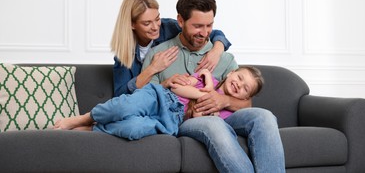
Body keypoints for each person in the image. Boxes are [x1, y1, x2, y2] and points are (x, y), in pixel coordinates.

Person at [142, 0, 285, 173]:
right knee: (214, 124)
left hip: (226, 117)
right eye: (198, 26)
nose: (204, 32)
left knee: (264, 116)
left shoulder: (223, 57)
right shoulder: (158, 55)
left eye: (209, 25)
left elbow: (246, 102)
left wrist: (223, 101)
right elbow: (146, 96)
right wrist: (169, 83)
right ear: (180, 21)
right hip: (185, 119)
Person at [53, 66, 263, 141]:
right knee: (125, 107)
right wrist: (205, 92)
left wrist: (205, 112)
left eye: (245, 89)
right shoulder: (209, 80)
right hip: (161, 97)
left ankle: (92, 130)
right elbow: (177, 88)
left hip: (173, 120)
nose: (239, 85)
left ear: (245, 98)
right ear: (232, 72)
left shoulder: (227, 113)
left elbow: (201, 120)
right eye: (240, 78)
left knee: (134, 129)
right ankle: (83, 118)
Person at [110, 0, 232, 97]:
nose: (155, 27)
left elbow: (206, 32)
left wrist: (217, 50)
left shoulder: (168, 28)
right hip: (144, 99)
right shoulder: (124, 53)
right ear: (132, 24)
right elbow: (121, 96)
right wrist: (153, 68)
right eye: (147, 23)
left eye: (157, 19)